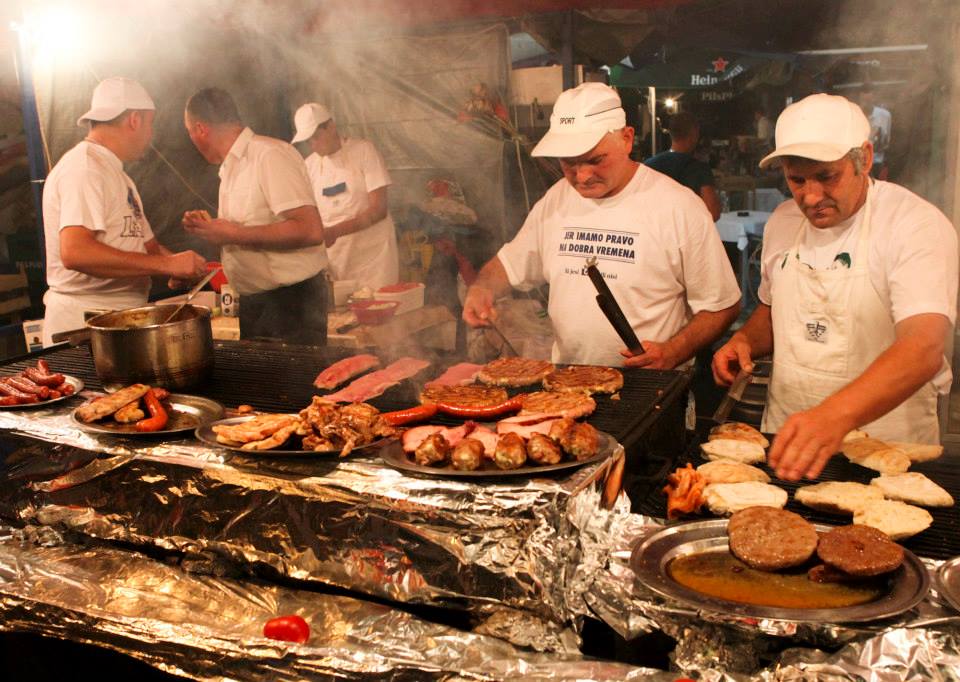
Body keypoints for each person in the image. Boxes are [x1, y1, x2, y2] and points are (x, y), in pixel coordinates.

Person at [712, 93, 957, 481]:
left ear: (865, 157)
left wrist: (833, 416)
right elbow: (774, 310)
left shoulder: (914, 225)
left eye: (827, 176)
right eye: (796, 180)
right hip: (790, 445)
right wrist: (744, 340)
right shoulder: (783, 222)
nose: (810, 197)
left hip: (888, 452)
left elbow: (923, 347)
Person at [463, 82, 740, 368]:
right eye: (569, 163)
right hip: (568, 381)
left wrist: (672, 351)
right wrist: (482, 288)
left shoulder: (679, 207)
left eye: (595, 160)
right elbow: (509, 265)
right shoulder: (557, 199)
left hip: (652, 384)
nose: (582, 176)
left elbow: (722, 307)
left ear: (626, 139)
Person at [42, 77, 206, 346]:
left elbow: (148, 247)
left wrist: (179, 266)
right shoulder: (85, 168)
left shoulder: (118, 176)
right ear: (134, 120)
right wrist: (168, 264)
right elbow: (75, 252)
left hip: (120, 320)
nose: (151, 134)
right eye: (150, 123)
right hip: (84, 324)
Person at [182, 88, 329, 344]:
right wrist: (212, 231)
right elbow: (249, 231)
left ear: (201, 129)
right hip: (257, 304)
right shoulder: (230, 168)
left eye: (189, 132)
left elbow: (310, 230)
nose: (191, 140)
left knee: (296, 372)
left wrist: (233, 233)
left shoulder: (269, 155)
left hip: (291, 304)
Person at [291, 102, 399, 290]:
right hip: (337, 259)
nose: (313, 145)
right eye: (308, 141)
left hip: (373, 258)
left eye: (316, 137)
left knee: (377, 306)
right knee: (342, 307)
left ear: (331, 127)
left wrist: (335, 232)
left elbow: (379, 210)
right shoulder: (309, 166)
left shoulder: (364, 151)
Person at [644, 111, 722, 220]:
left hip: (656, 227)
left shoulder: (649, 165)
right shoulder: (699, 169)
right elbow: (713, 213)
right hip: (688, 228)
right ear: (694, 135)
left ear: (671, 134)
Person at [859, 85, 891, 178]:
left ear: (874, 98)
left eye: (868, 100)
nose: (866, 104)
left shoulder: (885, 115)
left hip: (878, 162)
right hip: (860, 163)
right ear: (860, 99)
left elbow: (887, 140)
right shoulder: (855, 115)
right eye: (864, 100)